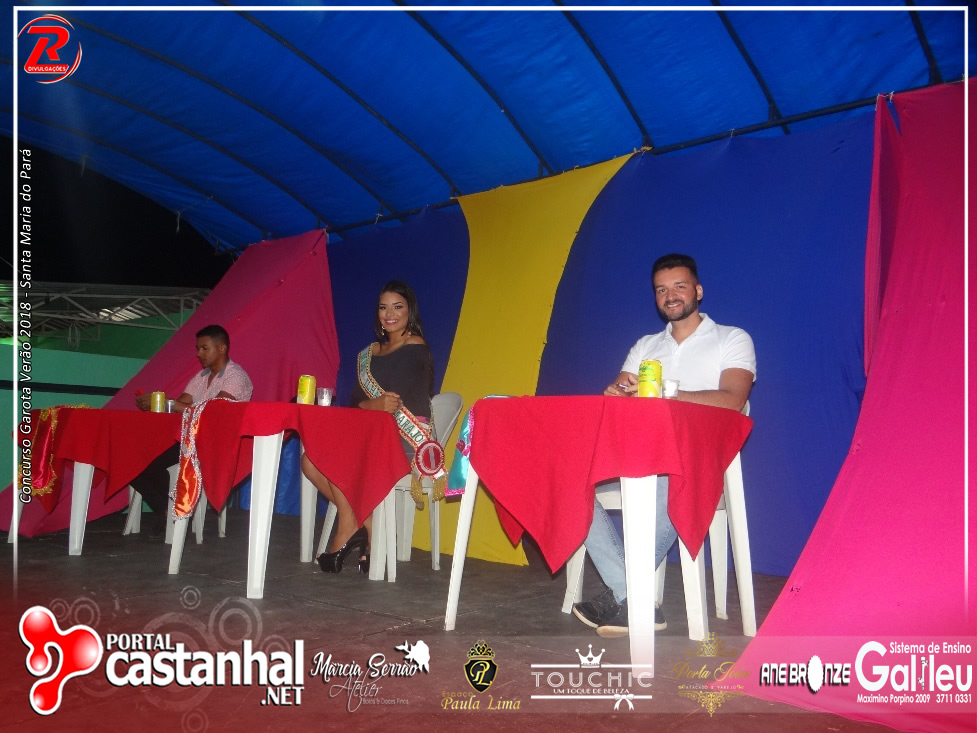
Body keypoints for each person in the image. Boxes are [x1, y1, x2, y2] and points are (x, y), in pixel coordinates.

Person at [572, 254, 756, 638]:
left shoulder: (732, 338)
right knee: (567, 478)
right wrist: (616, 395)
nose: (670, 296)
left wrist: (665, 394)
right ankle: (634, 597)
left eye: (679, 286)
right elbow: (620, 393)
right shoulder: (645, 346)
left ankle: (625, 594)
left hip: (698, 459)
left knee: (667, 478)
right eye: (661, 290)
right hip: (640, 452)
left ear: (698, 291)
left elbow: (733, 400)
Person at [303, 280, 434, 574]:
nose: (390, 314)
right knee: (310, 460)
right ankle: (367, 524)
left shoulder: (415, 347)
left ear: (410, 311)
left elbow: (394, 402)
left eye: (397, 307)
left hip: (404, 438)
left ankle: (350, 528)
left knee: (339, 456)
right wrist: (370, 405)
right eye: (383, 307)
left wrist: (371, 405)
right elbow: (357, 402)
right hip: (369, 436)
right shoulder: (369, 353)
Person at [131, 324, 253, 536]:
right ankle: (167, 510)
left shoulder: (236, 376)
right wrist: (156, 403)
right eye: (198, 348)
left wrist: (167, 402)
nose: (199, 354)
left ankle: (169, 512)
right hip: (191, 440)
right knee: (132, 460)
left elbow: (212, 413)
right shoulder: (202, 377)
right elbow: (182, 404)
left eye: (205, 348)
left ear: (222, 348)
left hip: (217, 445)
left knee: (147, 463)